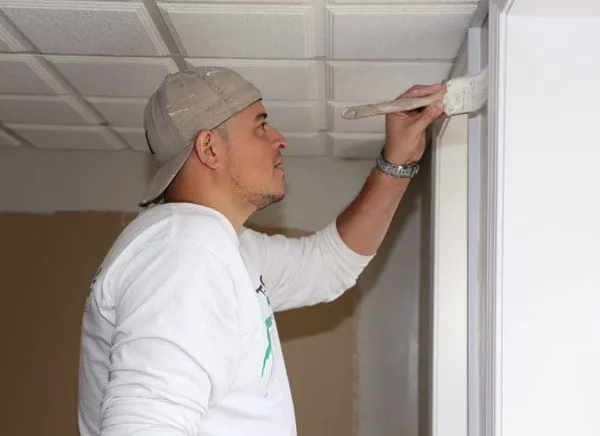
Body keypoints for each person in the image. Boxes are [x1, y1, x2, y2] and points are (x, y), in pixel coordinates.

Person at [77, 67, 445, 435]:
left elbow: (326, 267)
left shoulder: (217, 244)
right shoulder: (184, 251)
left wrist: (398, 162)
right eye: (261, 125)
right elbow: (143, 427)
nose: (280, 140)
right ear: (209, 148)